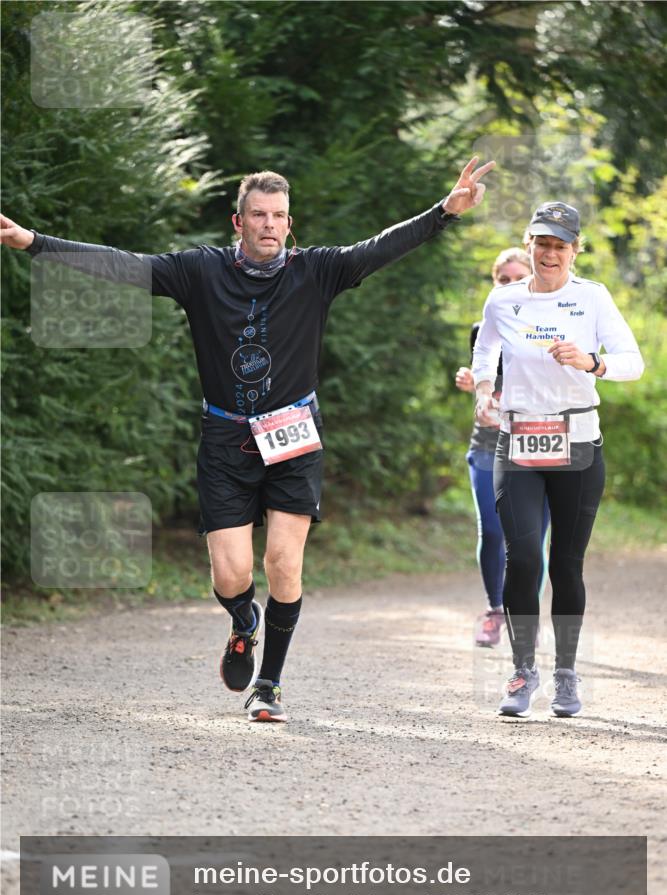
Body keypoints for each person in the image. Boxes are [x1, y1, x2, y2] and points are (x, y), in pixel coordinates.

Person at [1, 155, 495, 723]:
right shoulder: (200, 271)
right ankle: (243, 622)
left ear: (290, 222)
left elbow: (376, 249)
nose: (268, 225)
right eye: (257, 215)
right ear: (238, 222)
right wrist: (35, 242)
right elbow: (126, 266)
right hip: (225, 438)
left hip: (293, 436)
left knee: (284, 564)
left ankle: (270, 684)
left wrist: (443, 213)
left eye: (278, 216)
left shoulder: (317, 270)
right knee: (232, 574)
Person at [472, 201, 644, 719]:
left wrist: (592, 361)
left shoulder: (591, 298)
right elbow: (485, 353)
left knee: (567, 566)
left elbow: (632, 363)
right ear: (529, 245)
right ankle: (523, 670)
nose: (550, 253)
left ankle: (566, 673)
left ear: (575, 251)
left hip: (578, 441)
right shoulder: (503, 301)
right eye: (542, 243)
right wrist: (484, 390)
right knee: (522, 558)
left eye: (560, 245)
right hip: (519, 438)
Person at [455, 247, 548, 648]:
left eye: (517, 278)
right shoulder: (483, 328)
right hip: (490, 443)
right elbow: (485, 382)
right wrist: (475, 385)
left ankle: (525, 616)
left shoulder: (554, 326)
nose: (510, 286)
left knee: (531, 538)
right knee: (493, 531)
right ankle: (495, 610)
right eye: (502, 280)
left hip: (541, 441)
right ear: (495, 284)